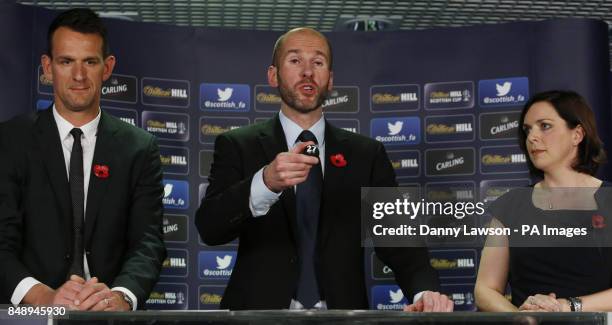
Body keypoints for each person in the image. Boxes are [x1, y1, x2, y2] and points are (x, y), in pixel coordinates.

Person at [196, 27, 453, 311]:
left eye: (318, 62)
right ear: (273, 75)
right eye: (295, 61)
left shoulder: (366, 155)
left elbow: (400, 242)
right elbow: (210, 228)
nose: (307, 71)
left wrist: (425, 294)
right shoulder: (237, 145)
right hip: (258, 314)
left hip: (342, 314)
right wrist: (265, 183)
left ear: (329, 80)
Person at [0, 8, 166, 311]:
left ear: (107, 67)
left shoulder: (140, 148)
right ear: (48, 67)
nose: (79, 75)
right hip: (30, 315)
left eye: (90, 62)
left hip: (106, 315)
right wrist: (44, 299)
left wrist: (120, 297)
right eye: (66, 62)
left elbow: (147, 244)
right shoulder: (10, 141)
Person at [475, 90, 611, 312]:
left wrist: (568, 306)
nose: (532, 137)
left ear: (577, 134)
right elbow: (485, 289)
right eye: (527, 130)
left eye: (545, 126)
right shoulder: (510, 205)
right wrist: (520, 317)